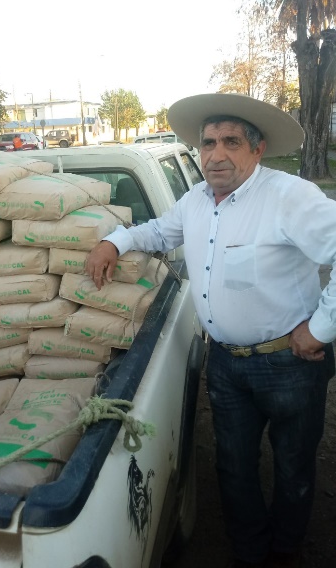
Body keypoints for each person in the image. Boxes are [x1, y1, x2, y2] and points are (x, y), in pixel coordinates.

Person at [85, 93, 336, 568]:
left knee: (294, 467)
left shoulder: (289, 197)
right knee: (234, 466)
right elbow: (159, 232)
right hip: (225, 363)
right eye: (208, 143)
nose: (216, 154)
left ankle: (285, 550)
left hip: (289, 363)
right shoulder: (195, 200)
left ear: (257, 150)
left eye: (231, 142)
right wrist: (115, 241)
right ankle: (248, 550)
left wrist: (321, 328)